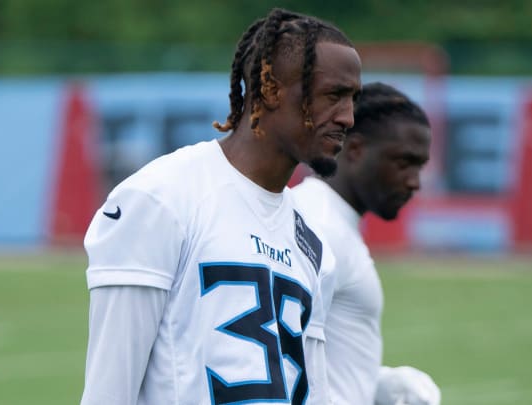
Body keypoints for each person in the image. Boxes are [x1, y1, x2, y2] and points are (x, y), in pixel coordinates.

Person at [79, 8, 361, 405]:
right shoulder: (161, 199)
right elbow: (108, 394)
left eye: (353, 99)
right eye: (333, 95)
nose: (348, 117)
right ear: (271, 88)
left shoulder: (313, 246)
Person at [292, 83, 441, 405]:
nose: (415, 182)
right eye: (404, 162)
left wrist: (383, 385)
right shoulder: (319, 227)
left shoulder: (326, 220)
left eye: (420, 166)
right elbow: (279, 355)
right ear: (356, 150)